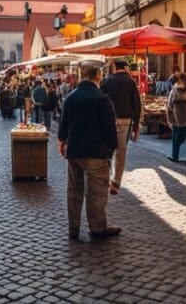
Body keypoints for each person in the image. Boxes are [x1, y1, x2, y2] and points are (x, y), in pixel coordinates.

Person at [58, 64, 120, 240]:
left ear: (81, 76)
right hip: (95, 151)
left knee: (74, 192)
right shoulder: (102, 98)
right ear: (97, 77)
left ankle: (73, 228)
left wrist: (62, 143)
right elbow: (109, 129)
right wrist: (110, 150)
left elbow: (63, 126)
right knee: (96, 192)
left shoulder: (71, 97)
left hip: (75, 151)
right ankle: (98, 227)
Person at [101, 60, 141, 195]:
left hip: (108, 120)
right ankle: (116, 182)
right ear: (125, 67)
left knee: (107, 151)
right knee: (121, 152)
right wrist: (136, 127)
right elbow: (137, 105)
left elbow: (101, 101)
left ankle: (105, 179)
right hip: (125, 120)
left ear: (115, 67)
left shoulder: (107, 81)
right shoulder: (130, 82)